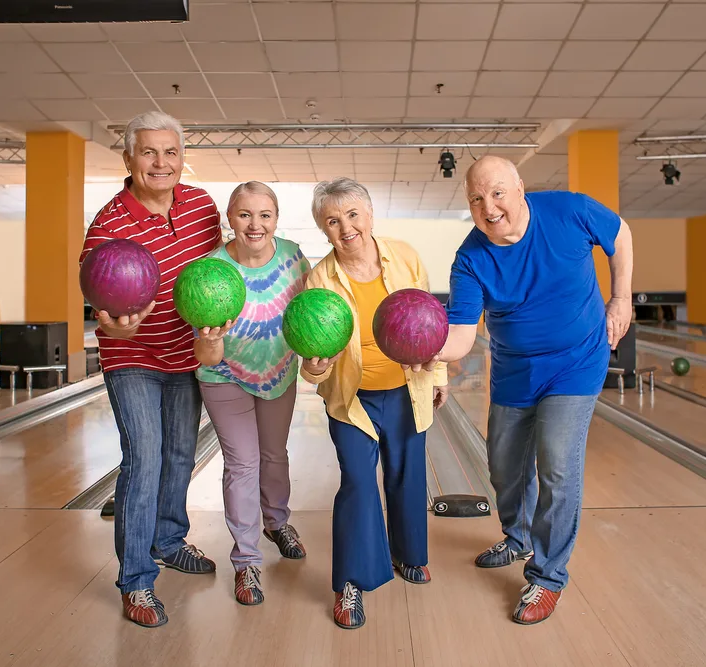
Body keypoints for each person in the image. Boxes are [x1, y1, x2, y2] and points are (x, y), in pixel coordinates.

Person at [429, 155, 633, 626]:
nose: (489, 207)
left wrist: (620, 297)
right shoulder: (471, 258)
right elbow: (460, 336)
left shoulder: (569, 211)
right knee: (504, 468)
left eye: (497, 192)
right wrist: (427, 352)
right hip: (515, 371)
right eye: (477, 199)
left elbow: (619, 233)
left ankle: (546, 577)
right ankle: (517, 538)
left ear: (520, 187)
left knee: (558, 464)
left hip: (576, 364)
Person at [79, 110, 221, 629]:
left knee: (181, 454)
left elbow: (216, 276)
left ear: (182, 159)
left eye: (171, 152)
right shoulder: (110, 222)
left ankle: (168, 540)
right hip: (132, 356)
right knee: (144, 458)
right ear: (128, 158)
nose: (161, 163)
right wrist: (116, 328)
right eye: (149, 152)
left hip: (188, 355)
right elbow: (102, 307)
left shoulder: (203, 206)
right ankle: (136, 581)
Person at [299, 176, 449, 630]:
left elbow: (430, 324)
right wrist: (317, 365)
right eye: (332, 220)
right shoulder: (319, 278)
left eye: (352, 215)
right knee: (359, 485)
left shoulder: (404, 257)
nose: (345, 228)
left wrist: (438, 374)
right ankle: (351, 583)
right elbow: (311, 365)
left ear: (368, 215)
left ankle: (409, 556)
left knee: (407, 475)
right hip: (351, 399)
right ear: (323, 229)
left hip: (406, 388)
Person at [192, 181, 312, 607]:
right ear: (230, 218)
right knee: (243, 464)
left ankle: (277, 522)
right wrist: (210, 338)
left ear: (276, 219)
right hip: (224, 374)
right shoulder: (212, 269)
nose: (255, 224)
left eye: (265, 214)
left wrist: (317, 356)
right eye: (245, 214)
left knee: (274, 454)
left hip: (279, 371)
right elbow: (204, 352)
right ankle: (246, 563)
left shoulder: (295, 257)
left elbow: (310, 318)